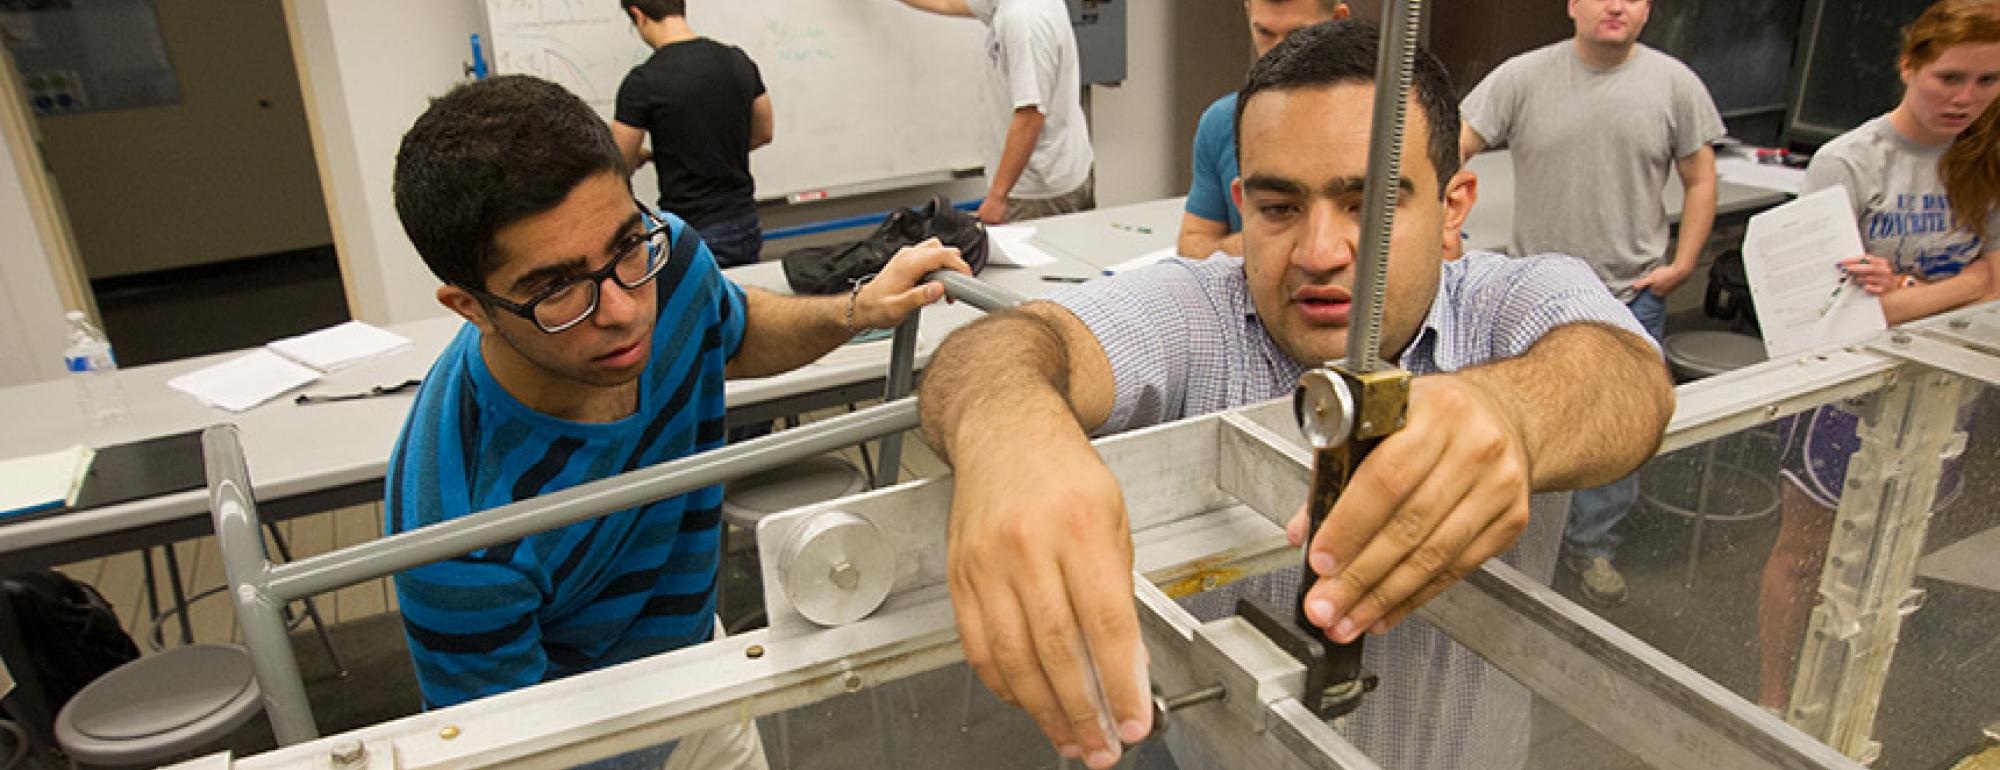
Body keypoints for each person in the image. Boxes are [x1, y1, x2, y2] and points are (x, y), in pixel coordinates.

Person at [918, 20, 1675, 770]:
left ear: (1453, 208)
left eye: (1368, 205)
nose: (1319, 253)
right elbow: (1002, 348)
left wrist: (1513, 412)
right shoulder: (1200, 311)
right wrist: (1010, 432)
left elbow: (1628, 376)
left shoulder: (1512, 300)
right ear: (1243, 204)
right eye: (1280, 209)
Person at [385, 75, 969, 769]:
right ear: (470, 307)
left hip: (697, 671)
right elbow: (514, 748)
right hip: (574, 742)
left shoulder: (667, 263)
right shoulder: (455, 531)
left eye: (626, 244)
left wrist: (856, 310)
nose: (627, 309)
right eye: (555, 288)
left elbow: (736, 329)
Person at [1757, 0, 1999, 712]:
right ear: (1908, 65)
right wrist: (1960, 285)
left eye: (1988, 81)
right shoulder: (1851, 160)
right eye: (1950, 77)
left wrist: (1908, 289)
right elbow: (1825, 319)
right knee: (1804, 554)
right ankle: (1774, 697)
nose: (1967, 98)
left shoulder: (1985, 153)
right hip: (1844, 392)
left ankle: (1854, 697)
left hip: (1944, 387)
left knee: (1890, 554)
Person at [1457, 0, 1725, 607]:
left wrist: (1683, 262)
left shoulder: (1675, 85)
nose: (1615, 5)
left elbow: (1700, 176)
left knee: (1614, 441)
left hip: (1629, 294)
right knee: (1523, 428)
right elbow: (1452, 148)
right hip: (1532, 297)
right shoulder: (1522, 77)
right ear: (1572, 4)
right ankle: (1515, 552)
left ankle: (1591, 548)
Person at [891, 0, 1096, 224]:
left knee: (1044, 257)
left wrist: (998, 197)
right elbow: (946, 3)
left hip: (1038, 192)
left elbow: (1030, 117)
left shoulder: (1025, 20)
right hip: (1047, 176)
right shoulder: (1005, 4)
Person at [1178, 0, 1349, 259]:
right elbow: (1191, 245)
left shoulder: (1390, 125)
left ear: (1338, 21)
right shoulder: (1223, 122)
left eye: (1298, 37)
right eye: (1265, 33)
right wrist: (1253, 244)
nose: (1278, 54)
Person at [611, 0, 773, 268]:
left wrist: (642, 156)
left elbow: (617, 165)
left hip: (693, 229)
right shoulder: (736, 60)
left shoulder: (644, 81)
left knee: (701, 308)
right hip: (745, 221)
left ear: (638, 16)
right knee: (739, 303)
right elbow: (763, 132)